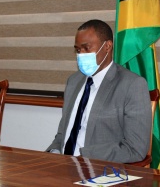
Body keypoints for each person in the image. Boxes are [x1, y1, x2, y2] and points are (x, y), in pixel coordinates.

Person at [46, 19, 152, 163]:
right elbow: (63, 134)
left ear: (107, 46)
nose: (81, 55)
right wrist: (54, 152)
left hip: (98, 169)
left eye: (86, 48)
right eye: (78, 50)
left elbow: (136, 148)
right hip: (62, 167)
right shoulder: (73, 81)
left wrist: (83, 157)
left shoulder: (132, 85)